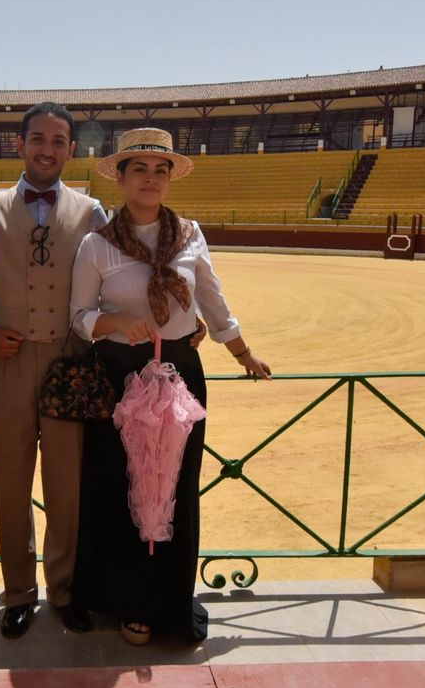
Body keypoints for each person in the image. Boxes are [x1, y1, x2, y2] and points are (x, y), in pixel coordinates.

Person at [68, 127, 273, 646]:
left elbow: (212, 300)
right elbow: (79, 316)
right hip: (119, 375)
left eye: (161, 170)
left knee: (176, 485)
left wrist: (243, 353)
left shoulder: (190, 234)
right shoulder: (97, 244)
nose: (151, 179)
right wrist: (115, 325)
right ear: (121, 177)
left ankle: (172, 600)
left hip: (180, 371)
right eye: (140, 169)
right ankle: (130, 601)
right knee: (122, 485)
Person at [0, 102, 107, 638]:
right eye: (38, 138)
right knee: (10, 479)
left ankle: (66, 588)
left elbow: (112, 283)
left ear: (72, 149)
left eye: (59, 140)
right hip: (7, 359)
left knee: (66, 482)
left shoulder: (94, 213)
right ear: (20, 145)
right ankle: (19, 592)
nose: (48, 149)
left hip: (71, 362)